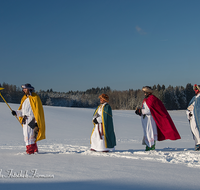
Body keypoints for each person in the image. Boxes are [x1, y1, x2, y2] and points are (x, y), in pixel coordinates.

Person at [135, 86, 181, 151]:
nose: (144, 94)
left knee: (150, 132)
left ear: (149, 92)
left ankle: (151, 146)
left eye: (145, 92)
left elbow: (151, 110)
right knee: (146, 133)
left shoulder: (152, 98)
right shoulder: (145, 99)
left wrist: (141, 111)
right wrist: (139, 112)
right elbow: (145, 109)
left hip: (150, 119)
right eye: (144, 92)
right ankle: (148, 145)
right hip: (145, 119)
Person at [12, 83, 46, 154]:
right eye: (23, 89)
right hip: (25, 120)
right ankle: (33, 151)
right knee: (26, 136)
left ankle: (30, 151)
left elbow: (37, 111)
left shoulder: (35, 98)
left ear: (29, 89)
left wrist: (37, 122)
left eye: (25, 88)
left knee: (31, 136)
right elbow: (23, 111)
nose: (24, 90)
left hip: (32, 120)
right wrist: (16, 112)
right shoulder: (24, 99)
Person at [186, 84, 200, 151]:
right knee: (194, 130)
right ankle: (197, 143)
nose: (195, 91)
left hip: (197, 118)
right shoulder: (194, 98)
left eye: (196, 89)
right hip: (192, 118)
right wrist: (189, 111)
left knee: (197, 129)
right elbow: (189, 107)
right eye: (195, 89)